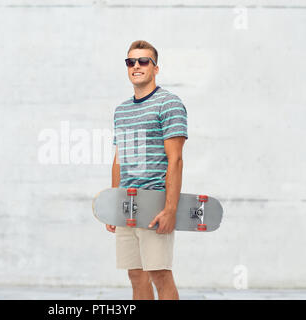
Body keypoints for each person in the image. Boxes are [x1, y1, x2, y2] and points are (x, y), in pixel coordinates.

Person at [107, 40, 188, 300]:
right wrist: (113, 204)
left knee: (160, 274)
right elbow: (119, 160)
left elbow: (175, 160)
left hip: (154, 201)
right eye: (131, 62)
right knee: (136, 274)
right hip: (127, 203)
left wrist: (171, 209)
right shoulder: (122, 111)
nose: (136, 66)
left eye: (143, 61)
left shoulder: (170, 103)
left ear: (156, 68)